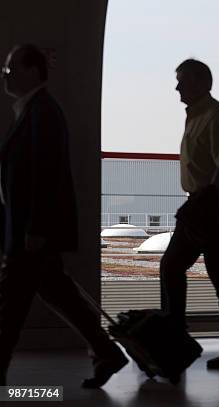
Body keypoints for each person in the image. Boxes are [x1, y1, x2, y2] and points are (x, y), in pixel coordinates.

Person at [0, 44, 127, 388]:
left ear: (31, 71)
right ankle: (107, 352)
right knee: (57, 293)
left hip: (32, 232)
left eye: (11, 68)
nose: (5, 74)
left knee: (9, 304)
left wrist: (36, 228)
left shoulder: (43, 112)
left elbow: (47, 175)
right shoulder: (34, 110)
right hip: (29, 230)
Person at [160, 58, 219, 369]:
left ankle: (178, 340)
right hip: (208, 203)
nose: (177, 87)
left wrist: (207, 200)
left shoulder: (216, 117)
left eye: (182, 81)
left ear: (201, 83)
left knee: (204, 273)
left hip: (213, 203)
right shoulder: (199, 116)